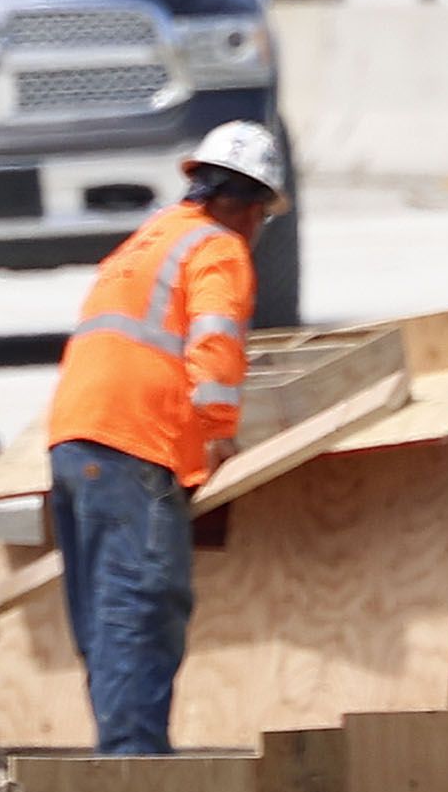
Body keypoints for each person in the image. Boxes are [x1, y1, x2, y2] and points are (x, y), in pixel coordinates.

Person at [44, 122, 282, 755]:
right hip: (134, 448)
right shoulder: (219, 247)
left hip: (76, 443)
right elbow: (215, 344)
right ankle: (136, 780)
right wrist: (218, 434)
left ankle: (119, 769)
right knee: (141, 615)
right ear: (253, 208)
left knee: (105, 621)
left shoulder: (148, 241)